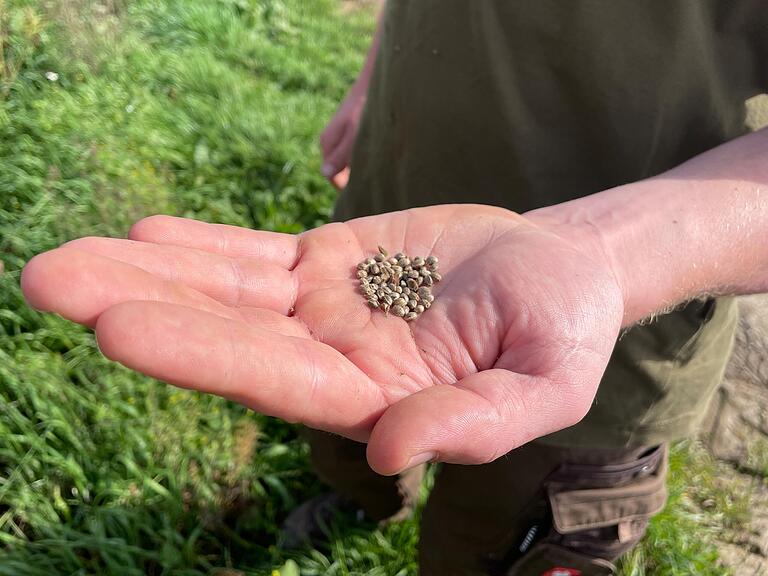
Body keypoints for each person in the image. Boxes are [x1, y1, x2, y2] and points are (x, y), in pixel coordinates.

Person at [20, 2, 768, 574]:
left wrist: (601, 253)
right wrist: (376, 75)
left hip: (610, 349)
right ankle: (365, 504)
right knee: (351, 443)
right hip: (379, 229)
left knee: (489, 543)